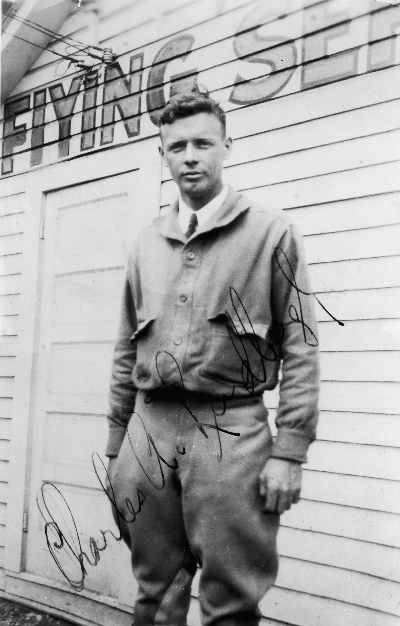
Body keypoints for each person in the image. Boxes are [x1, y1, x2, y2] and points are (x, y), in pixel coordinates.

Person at [104, 90, 320, 626]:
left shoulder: (272, 234)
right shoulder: (146, 244)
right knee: (155, 593)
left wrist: (289, 451)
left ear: (227, 146)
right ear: (164, 156)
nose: (191, 156)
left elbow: (302, 347)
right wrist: (115, 450)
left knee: (231, 601)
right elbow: (125, 347)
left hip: (233, 433)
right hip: (146, 432)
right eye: (177, 146)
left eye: (203, 142)